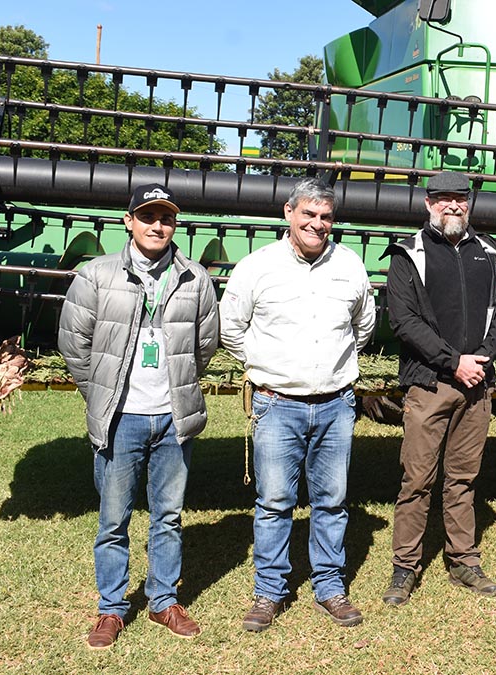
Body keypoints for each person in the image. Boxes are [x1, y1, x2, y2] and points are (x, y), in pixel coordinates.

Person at [59, 183, 219, 649]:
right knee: (113, 519)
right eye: (147, 216)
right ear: (128, 221)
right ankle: (111, 609)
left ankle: (162, 600)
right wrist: (102, 394)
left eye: (165, 218)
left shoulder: (195, 278)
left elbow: (204, 345)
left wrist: (178, 386)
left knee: (168, 516)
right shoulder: (96, 275)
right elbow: (74, 343)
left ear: (175, 225)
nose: (157, 226)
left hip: (174, 417)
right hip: (120, 417)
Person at [220, 177, 376, 630]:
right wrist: (265, 365)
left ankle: (329, 588)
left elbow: (362, 327)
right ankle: (269, 592)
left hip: (335, 404)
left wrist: (332, 366)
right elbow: (230, 326)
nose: (317, 223)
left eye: (326, 216)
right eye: (308, 214)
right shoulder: (257, 266)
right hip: (276, 403)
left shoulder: (350, 265)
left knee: (332, 500)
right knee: (274, 501)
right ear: (288, 213)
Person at [381, 171, 496, 605]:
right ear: (428, 204)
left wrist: (481, 358)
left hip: (477, 385)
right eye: (443, 199)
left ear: (469, 204)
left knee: (463, 478)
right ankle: (405, 567)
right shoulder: (409, 254)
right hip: (429, 385)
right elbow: (403, 320)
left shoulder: (489, 252)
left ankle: (463, 560)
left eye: (460, 199)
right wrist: (451, 361)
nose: (452, 206)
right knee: (417, 479)